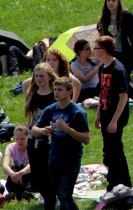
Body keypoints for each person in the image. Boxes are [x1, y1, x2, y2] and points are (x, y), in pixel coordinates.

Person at [32, 77, 90, 210]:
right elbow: (34, 130)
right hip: (54, 158)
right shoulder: (51, 110)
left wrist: (67, 129)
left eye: (60, 90)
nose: (56, 92)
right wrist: (43, 130)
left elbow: (86, 139)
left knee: (64, 194)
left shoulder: (78, 113)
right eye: (55, 89)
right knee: (62, 195)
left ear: (69, 91)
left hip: (71, 158)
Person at [93, 36, 131, 191]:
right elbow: (103, 92)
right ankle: (114, 181)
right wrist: (98, 114)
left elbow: (124, 96)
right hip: (105, 114)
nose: (93, 51)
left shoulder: (118, 69)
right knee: (108, 151)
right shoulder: (103, 68)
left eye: (95, 49)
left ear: (102, 51)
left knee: (115, 150)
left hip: (116, 116)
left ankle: (122, 182)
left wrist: (114, 120)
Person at [24, 63, 56, 209]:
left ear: (50, 77)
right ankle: (48, 197)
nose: (38, 79)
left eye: (42, 76)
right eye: (36, 76)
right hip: (33, 139)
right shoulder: (32, 93)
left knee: (48, 175)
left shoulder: (56, 94)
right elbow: (30, 116)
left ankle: (51, 202)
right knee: (37, 177)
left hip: (50, 139)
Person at [97, 0, 133, 77]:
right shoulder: (104, 17)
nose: (110, 3)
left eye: (113, 1)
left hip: (129, 50)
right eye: (108, 1)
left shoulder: (126, 15)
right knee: (116, 74)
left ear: (118, 3)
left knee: (124, 73)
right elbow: (100, 30)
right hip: (114, 51)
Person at [2, 125, 31, 201]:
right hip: (16, 175)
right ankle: (13, 193)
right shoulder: (11, 147)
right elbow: (5, 165)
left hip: (28, 174)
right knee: (14, 167)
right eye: (17, 139)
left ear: (27, 137)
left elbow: (33, 165)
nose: (19, 141)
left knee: (24, 166)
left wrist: (21, 173)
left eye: (22, 139)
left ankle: (26, 192)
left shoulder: (31, 147)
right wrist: (13, 174)